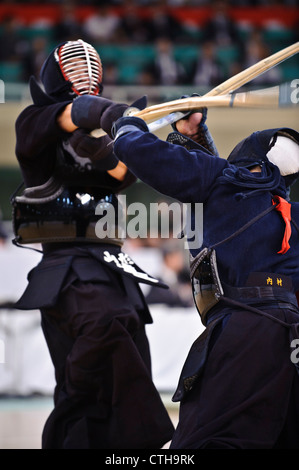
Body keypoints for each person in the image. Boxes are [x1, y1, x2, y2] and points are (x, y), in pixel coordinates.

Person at [12, 39, 174, 449]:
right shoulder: (33, 124)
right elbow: (76, 112)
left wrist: (161, 128)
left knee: (119, 372)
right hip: (68, 272)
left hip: (114, 270)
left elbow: (125, 172)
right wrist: (111, 113)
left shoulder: (102, 145)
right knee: (95, 358)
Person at [109, 108, 299, 449]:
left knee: (203, 440)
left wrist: (127, 125)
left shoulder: (225, 180)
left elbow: (142, 154)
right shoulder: (285, 211)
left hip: (246, 327)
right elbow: (216, 192)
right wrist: (194, 135)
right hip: (291, 336)